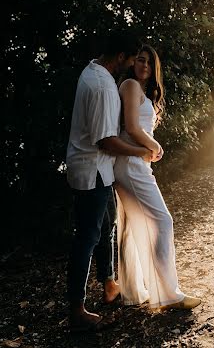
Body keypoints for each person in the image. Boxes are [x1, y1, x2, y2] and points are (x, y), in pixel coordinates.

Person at [66, 30, 153, 332]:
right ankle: (76, 310)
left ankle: (110, 284)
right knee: (87, 238)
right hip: (93, 171)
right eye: (131, 59)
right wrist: (142, 151)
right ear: (120, 57)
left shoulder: (91, 70)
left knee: (107, 227)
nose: (132, 65)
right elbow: (106, 141)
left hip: (94, 169)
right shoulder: (103, 87)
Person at [114, 44, 201, 310]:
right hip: (130, 164)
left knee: (132, 227)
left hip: (134, 163)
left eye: (149, 63)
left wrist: (148, 148)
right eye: (140, 60)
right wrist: (155, 146)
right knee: (162, 222)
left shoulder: (141, 91)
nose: (144, 66)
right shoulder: (129, 85)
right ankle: (169, 295)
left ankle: (133, 292)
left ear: (154, 69)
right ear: (132, 63)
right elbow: (131, 127)